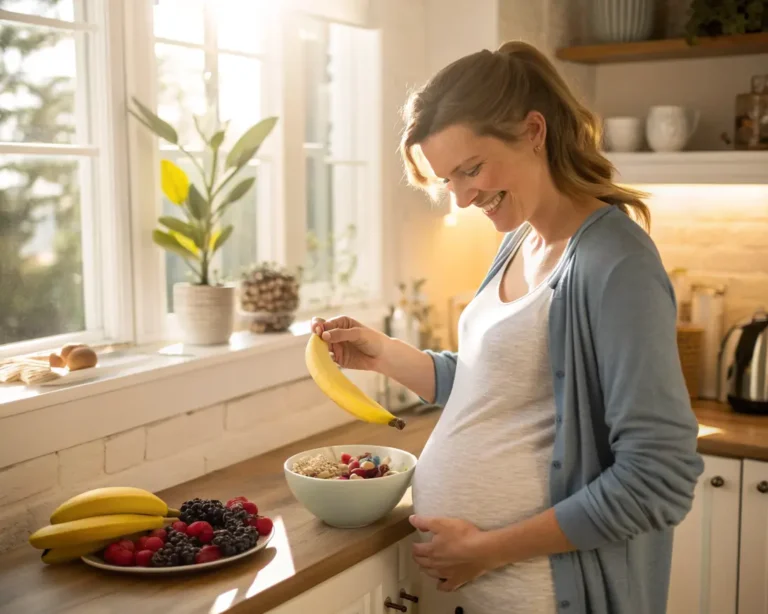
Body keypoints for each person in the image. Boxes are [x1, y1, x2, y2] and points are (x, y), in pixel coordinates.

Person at [311, 41, 703, 614]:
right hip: (481, 589)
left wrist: (489, 549)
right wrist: (384, 354)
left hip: (544, 591)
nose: (464, 196)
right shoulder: (519, 238)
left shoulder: (616, 263)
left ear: (534, 132)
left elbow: (660, 477)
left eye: (471, 169)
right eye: (449, 179)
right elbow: (500, 389)